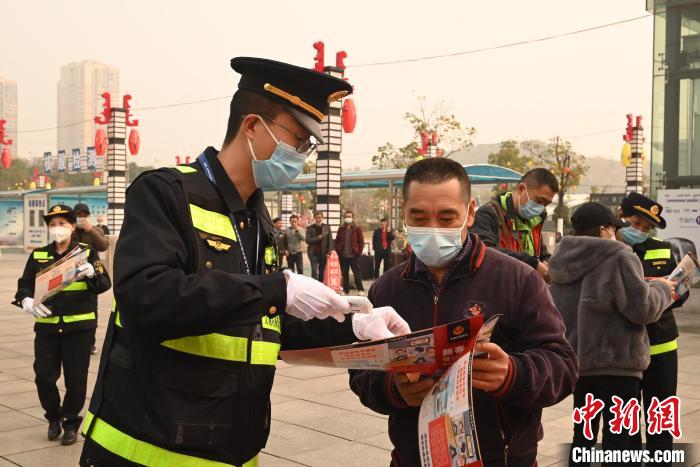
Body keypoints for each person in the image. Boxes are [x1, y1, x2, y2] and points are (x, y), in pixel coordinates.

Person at [79, 56, 409, 467]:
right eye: (299, 140)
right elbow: (147, 297)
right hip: (147, 450)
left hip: (231, 449)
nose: (303, 155)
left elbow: (264, 320)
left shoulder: (257, 219)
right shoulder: (166, 192)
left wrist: (352, 326)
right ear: (253, 126)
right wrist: (277, 289)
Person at [349, 158, 578, 467]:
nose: (433, 229)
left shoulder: (518, 280)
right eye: (419, 217)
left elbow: (562, 366)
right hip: (413, 458)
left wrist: (513, 373)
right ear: (404, 213)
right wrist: (394, 389)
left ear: (470, 212)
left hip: (502, 458)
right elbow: (362, 373)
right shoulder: (386, 289)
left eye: (446, 218)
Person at [548, 202, 675, 464]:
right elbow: (642, 309)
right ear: (604, 229)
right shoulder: (618, 256)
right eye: (614, 229)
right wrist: (664, 290)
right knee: (618, 439)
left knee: (582, 436)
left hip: (579, 366)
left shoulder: (559, 260)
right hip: (618, 366)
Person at [13, 205, 111, 446]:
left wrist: (92, 275)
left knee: (76, 381)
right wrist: (25, 300)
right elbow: (24, 286)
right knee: (44, 378)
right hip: (47, 329)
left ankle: (70, 423)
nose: (58, 229)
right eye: (53, 224)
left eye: (62, 224)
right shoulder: (38, 255)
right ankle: (53, 417)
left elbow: (105, 283)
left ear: (72, 226)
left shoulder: (87, 253)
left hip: (79, 329)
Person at [617, 192, 686, 464]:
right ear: (620, 217)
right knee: (628, 421)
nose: (641, 232)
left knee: (661, 417)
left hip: (662, 344)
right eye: (636, 223)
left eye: (647, 228)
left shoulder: (663, 248)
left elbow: (681, 291)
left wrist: (669, 291)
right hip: (625, 349)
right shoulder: (607, 248)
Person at [471, 168, 558, 282]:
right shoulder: (489, 214)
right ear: (522, 189)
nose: (541, 207)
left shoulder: (533, 222)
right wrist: (531, 264)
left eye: (546, 204)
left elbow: (542, 255)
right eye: (539, 200)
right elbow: (483, 253)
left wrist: (550, 265)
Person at [335, 210, 365, 295]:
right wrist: (338, 250)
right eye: (347, 216)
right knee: (345, 274)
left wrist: (359, 252)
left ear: (352, 218)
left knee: (356, 273)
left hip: (354, 255)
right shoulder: (341, 229)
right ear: (344, 218)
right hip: (343, 256)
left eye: (350, 216)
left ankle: (360, 289)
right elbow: (337, 241)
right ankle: (346, 290)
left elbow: (361, 242)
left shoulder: (357, 229)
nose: (348, 218)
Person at [306, 211, 333, 281]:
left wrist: (329, 252)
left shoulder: (327, 227)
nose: (318, 219)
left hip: (323, 253)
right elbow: (307, 240)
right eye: (316, 218)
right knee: (314, 272)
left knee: (321, 272)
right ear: (314, 218)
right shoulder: (310, 228)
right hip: (313, 253)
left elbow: (330, 241)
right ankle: (314, 286)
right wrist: (318, 238)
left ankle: (320, 286)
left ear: (322, 218)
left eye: (319, 218)